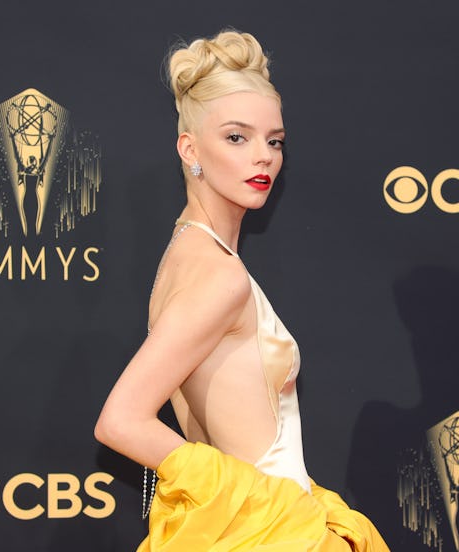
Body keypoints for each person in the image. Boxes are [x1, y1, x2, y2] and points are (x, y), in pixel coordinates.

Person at [95, 29, 389, 552]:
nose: (264, 157)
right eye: (237, 137)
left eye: (273, 140)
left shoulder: (184, 254)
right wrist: (271, 509)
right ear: (190, 148)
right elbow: (121, 421)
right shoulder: (219, 275)